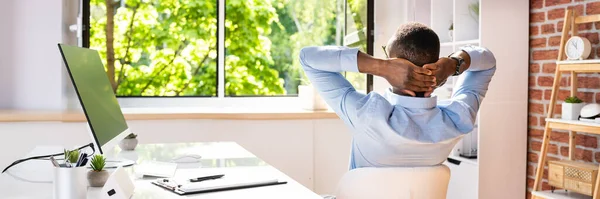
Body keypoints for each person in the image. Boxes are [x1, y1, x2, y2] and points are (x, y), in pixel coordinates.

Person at [299, 22, 496, 169]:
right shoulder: (458, 118)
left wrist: (380, 66)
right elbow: (487, 60)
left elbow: (308, 58)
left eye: (388, 58)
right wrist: (453, 64)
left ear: (394, 64)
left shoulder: (366, 114)